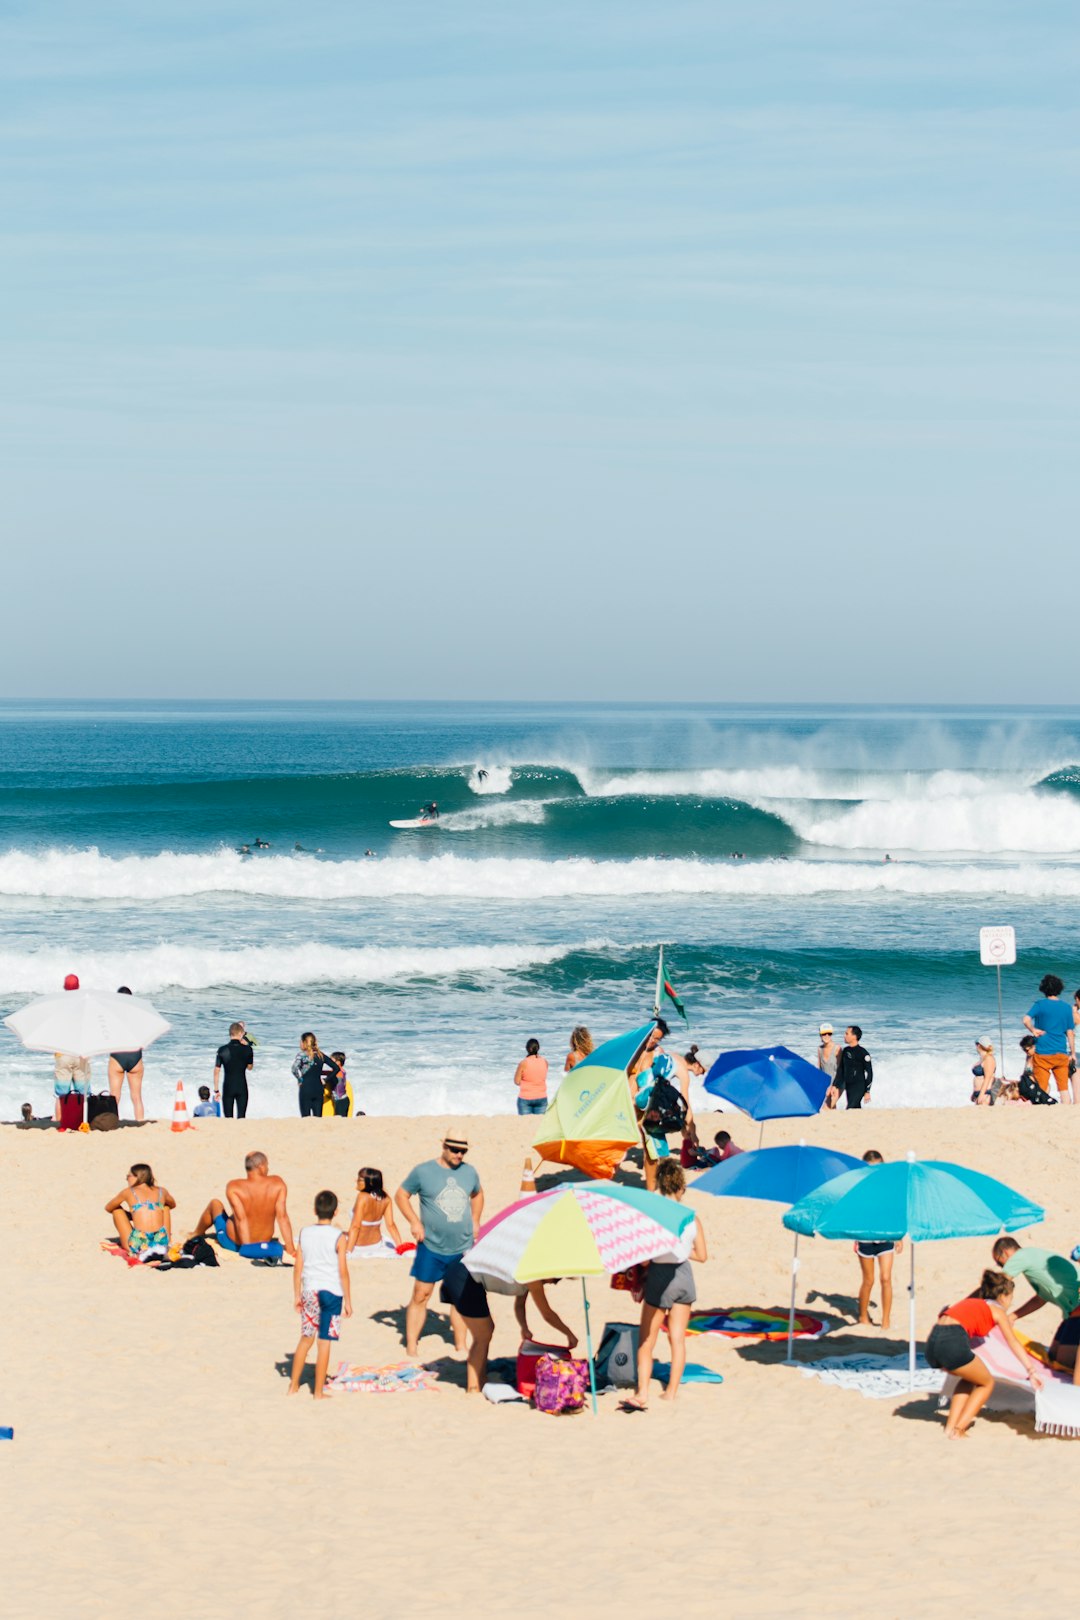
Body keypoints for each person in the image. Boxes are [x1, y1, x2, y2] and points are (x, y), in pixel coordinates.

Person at [624, 1160, 707, 1409]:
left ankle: (642, 1394)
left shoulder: (654, 1216)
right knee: (678, 1340)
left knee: (646, 1342)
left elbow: (647, 1258)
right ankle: (671, 1392)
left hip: (660, 1277)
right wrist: (681, 1252)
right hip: (684, 1275)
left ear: (660, 1184)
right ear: (681, 1186)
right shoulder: (692, 1218)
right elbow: (702, 1256)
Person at [394, 1129, 483, 1358]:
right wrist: (414, 1222)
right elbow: (401, 1195)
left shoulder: (469, 1172)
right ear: (444, 1147)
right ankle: (412, 1345)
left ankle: (460, 1345)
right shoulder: (423, 1172)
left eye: (463, 1151)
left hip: (462, 1246)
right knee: (421, 1294)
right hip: (431, 1245)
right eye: (455, 1150)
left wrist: (475, 1220)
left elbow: (478, 1194)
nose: (459, 1155)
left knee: (460, 1297)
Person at [924, 1270, 1043, 1438]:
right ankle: (959, 1430)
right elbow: (1013, 1342)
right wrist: (1031, 1370)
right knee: (986, 1383)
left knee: (970, 1378)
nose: (1010, 1303)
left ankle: (950, 1426)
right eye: (1010, 1298)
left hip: (932, 1344)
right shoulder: (997, 1310)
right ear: (1003, 1295)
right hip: (951, 1342)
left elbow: (947, 1315)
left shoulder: (972, 1302)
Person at [287, 1190, 352, 1400]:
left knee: (306, 1339)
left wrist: (297, 1294)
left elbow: (298, 1268)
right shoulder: (338, 1236)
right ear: (336, 1211)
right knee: (324, 1342)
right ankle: (318, 1392)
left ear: (315, 1210)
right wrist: (349, 1300)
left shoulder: (305, 1233)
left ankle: (293, 1386)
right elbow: (343, 1271)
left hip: (310, 1290)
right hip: (332, 1291)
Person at [190, 1150, 296, 1257]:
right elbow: (282, 1218)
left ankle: (196, 1233)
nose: (268, 1168)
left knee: (215, 1204)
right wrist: (291, 1249)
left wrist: (248, 1249)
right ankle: (197, 1233)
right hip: (264, 1240)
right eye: (267, 1165)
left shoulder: (234, 1187)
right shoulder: (277, 1184)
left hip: (233, 1243)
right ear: (261, 1166)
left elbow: (242, 1219)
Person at [854, 1150, 901, 1328]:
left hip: (885, 1237)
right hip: (865, 1238)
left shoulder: (889, 1187)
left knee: (886, 1278)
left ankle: (886, 1321)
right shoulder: (860, 1188)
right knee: (869, 1280)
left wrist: (898, 1235)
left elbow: (895, 1211)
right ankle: (863, 1316)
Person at [990, 1236, 1080, 1323]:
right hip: (1072, 1312)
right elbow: (1039, 1300)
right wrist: (1011, 1317)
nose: (1002, 1267)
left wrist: (979, 1305)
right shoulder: (1034, 1259)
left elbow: (998, 1283)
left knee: (1065, 1338)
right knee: (1060, 1339)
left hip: (1076, 1308)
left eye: (999, 1262)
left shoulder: (1020, 1256)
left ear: (1006, 1252)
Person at [105, 1163, 176, 1260]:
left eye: (128, 1176)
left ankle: (134, 1250)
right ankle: (168, 1242)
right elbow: (173, 1204)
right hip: (161, 1243)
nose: (127, 1179)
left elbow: (108, 1207)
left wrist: (131, 1215)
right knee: (166, 1207)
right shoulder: (162, 1191)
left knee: (117, 1211)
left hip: (140, 1245)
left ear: (137, 1176)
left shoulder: (128, 1191)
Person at [1023, 973, 1075, 1101]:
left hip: (1042, 1052)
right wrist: (1072, 1053)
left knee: (1041, 1088)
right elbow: (1070, 1033)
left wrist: (1033, 1030)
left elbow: (1025, 1020)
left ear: (1043, 988)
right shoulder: (1067, 1007)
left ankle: (1042, 1111)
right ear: (1059, 989)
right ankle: (1066, 1113)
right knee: (1063, 1089)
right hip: (1060, 1052)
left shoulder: (1040, 1005)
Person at [106, 986, 146, 1121]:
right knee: (137, 1097)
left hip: (118, 1055)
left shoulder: (112, 1016)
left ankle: (112, 1122)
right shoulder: (139, 1015)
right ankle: (140, 1122)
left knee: (115, 1096)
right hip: (135, 1056)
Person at [346, 1167, 403, 1258]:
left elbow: (355, 1227)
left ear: (370, 1183)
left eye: (359, 1179)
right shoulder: (386, 1199)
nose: (356, 1180)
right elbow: (391, 1225)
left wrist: (348, 1251)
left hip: (358, 1245)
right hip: (376, 1244)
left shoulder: (362, 1197)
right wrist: (400, 1247)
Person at [513, 1281, 578, 1350]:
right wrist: (569, 1334)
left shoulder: (527, 1277)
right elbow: (547, 1314)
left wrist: (524, 1328)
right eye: (554, 1279)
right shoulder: (534, 1280)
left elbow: (519, 1305)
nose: (551, 1283)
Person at [292, 1032, 341, 1119]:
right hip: (318, 1089)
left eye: (300, 1041)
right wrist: (326, 1080)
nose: (299, 1043)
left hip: (306, 1088)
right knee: (318, 1119)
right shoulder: (320, 1055)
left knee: (306, 1119)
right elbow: (336, 1068)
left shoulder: (302, 1055)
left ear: (304, 1042)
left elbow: (294, 1069)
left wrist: (299, 1080)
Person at [213, 1022, 254, 1119]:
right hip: (242, 1087)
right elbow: (250, 1067)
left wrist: (216, 1090)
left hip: (228, 1088)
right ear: (240, 1033)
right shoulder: (248, 1049)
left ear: (230, 1033)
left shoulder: (222, 1050)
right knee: (241, 1117)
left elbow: (216, 1071)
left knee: (228, 1119)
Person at [830, 1026, 873, 1109]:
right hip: (848, 1086)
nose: (844, 1036)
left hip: (859, 1086)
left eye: (847, 1033)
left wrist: (867, 1091)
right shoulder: (846, 1050)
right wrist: (835, 1085)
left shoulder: (863, 1053)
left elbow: (869, 1073)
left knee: (850, 1108)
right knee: (855, 1108)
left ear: (854, 1036)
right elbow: (841, 1070)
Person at [512, 1038, 549, 1115]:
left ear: (527, 1049)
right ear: (538, 1048)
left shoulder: (524, 1063)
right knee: (539, 1124)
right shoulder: (545, 1062)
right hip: (541, 1097)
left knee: (525, 1124)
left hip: (526, 1098)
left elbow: (517, 1081)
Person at [817, 1025, 841, 1110]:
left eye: (829, 1034)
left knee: (826, 1108)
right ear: (820, 1035)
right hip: (825, 1083)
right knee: (832, 1107)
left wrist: (834, 1086)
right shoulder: (820, 1049)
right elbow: (819, 1068)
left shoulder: (837, 1048)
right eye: (824, 1034)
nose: (827, 1036)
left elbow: (840, 1070)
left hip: (836, 1083)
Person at [323, 1051, 353, 1118]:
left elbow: (331, 1075)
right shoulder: (342, 1070)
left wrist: (325, 1081)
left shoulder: (338, 1072)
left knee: (339, 1120)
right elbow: (328, 1073)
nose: (329, 1062)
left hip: (341, 1101)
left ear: (338, 1062)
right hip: (343, 1100)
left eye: (331, 1060)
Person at [970, 1038, 997, 1106]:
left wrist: (981, 1094)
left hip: (985, 1093)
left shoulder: (989, 1059)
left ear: (979, 1045)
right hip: (978, 1092)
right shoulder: (982, 1058)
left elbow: (987, 1078)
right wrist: (974, 1093)